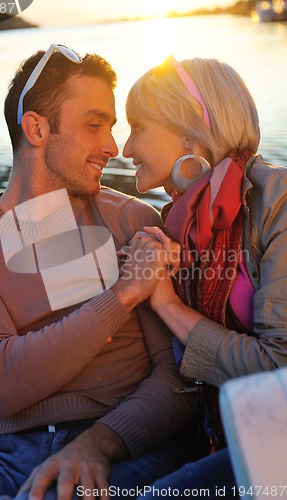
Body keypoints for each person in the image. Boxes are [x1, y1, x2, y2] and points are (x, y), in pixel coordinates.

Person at [0, 45, 196, 499]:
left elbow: (176, 377)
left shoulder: (134, 222)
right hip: (3, 455)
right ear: (36, 128)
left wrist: (98, 445)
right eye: (93, 125)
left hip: (121, 444)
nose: (112, 146)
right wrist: (122, 295)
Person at [122, 55, 287, 497]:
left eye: (137, 126)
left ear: (190, 123)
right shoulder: (174, 224)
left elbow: (279, 368)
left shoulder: (277, 202)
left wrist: (166, 304)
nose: (125, 148)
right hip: (217, 431)